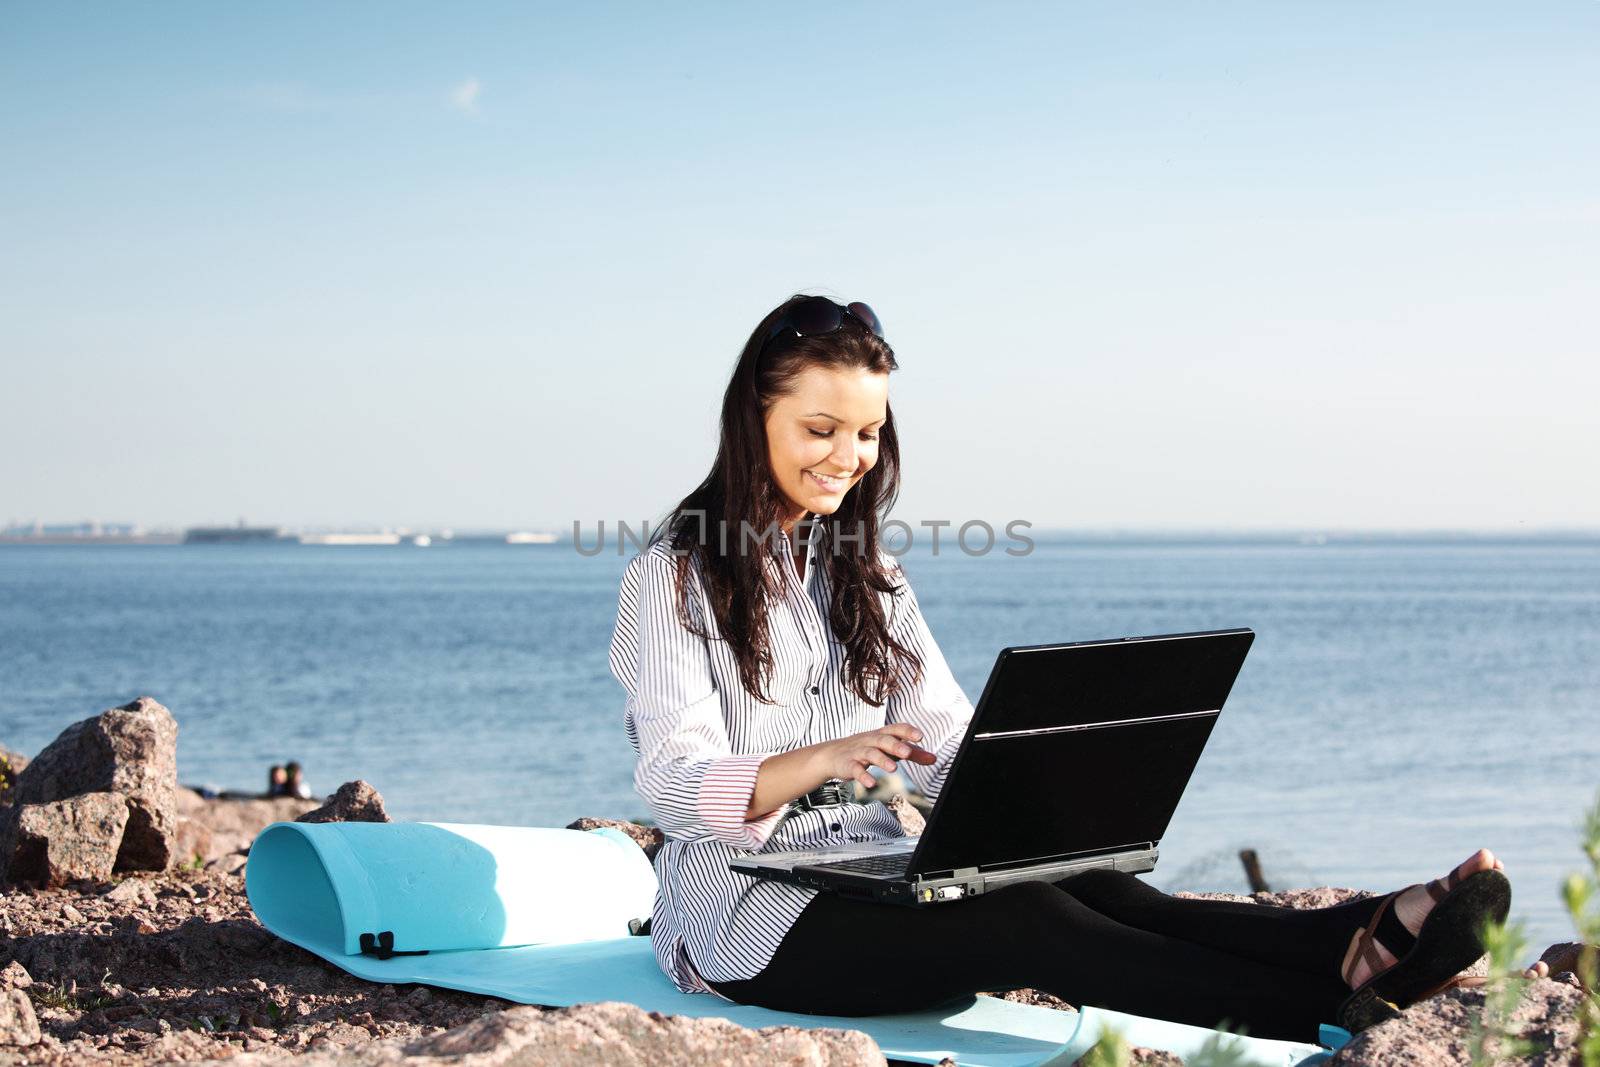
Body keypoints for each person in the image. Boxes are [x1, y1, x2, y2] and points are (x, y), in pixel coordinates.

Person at [607, 293, 1535, 1044]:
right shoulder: (673, 577)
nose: (849, 457)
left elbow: (942, 722)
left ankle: (1349, 939)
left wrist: (1030, 777)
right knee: (1024, 926)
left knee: (1089, 887)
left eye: (867, 433)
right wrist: (819, 759)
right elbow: (675, 788)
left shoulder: (865, 572)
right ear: (753, 415)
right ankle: (1330, 1013)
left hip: (870, 862)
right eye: (821, 428)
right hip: (747, 915)